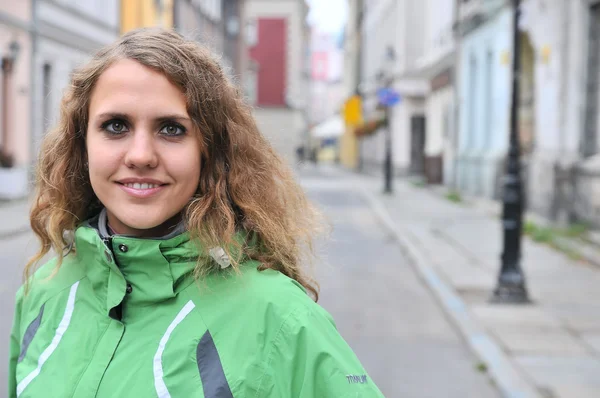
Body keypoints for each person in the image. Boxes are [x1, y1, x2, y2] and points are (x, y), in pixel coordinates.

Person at [8, 28, 384, 398]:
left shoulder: (280, 320)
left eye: (171, 129)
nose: (140, 155)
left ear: (211, 151)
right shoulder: (44, 290)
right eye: (115, 126)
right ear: (82, 144)